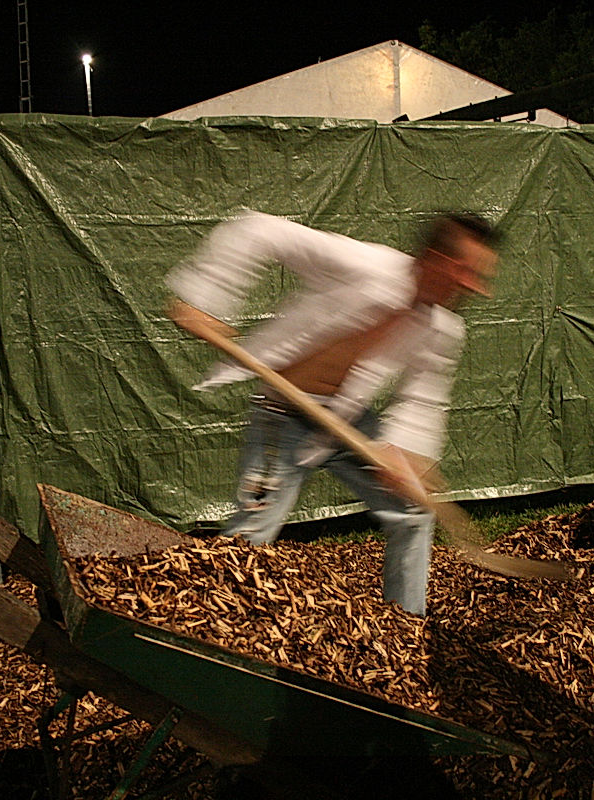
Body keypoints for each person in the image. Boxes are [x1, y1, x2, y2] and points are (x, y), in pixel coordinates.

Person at [167, 210, 498, 616]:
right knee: (251, 534)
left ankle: (406, 624)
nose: (475, 287)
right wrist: (204, 298)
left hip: (346, 418)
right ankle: (205, 620)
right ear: (437, 259)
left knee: (413, 511)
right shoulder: (366, 265)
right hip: (283, 413)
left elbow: (422, 398)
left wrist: (407, 454)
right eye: (468, 272)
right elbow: (258, 230)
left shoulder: (442, 329)